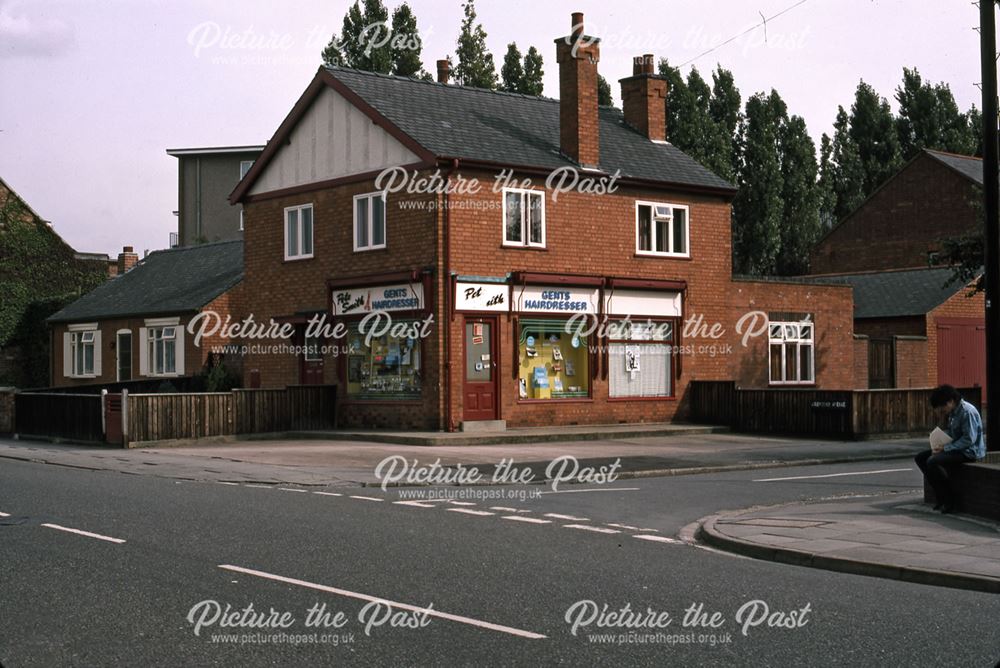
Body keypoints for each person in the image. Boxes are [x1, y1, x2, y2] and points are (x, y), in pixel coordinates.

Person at [914, 385, 986, 513]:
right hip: (956, 447)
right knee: (920, 458)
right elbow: (953, 434)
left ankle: (949, 499)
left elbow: (969, 439)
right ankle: (940, 496)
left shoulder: (967, 412)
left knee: (932, 461)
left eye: (942, 408)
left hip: (969, 451)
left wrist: (946, 448)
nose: (942, 411)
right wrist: (940, 444)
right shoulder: (953, 413)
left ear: (951, 401)